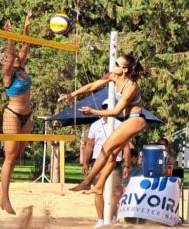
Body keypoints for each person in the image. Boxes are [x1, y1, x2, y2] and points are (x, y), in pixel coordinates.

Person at [58, 52, 148, 194]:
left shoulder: (131, 87)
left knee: (106, 148)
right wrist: (71, 95)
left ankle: (87, 182)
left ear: (125, 69)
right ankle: (99, 186)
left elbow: (115, 112)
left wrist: (93, 111)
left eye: (117, 64)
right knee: (111, 155)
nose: (114, 65)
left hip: (136, 119)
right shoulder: (114, 76)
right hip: (128, 119)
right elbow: (93, 85)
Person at [0, 11, 34, 215]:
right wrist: (9, 34)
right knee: (9, 158)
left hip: (27, 115)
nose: (14, 58)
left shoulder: (22, 68)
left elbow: (25, 45)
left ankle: (0, 192)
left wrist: (27, 25)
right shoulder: (7, 75)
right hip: (12, 114)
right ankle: (6, 198)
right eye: (9, 59)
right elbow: (11, 55)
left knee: (17, 156)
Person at [82, 101, 125, 228]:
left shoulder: (120, 125)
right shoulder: (95, 126)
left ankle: (110, 217)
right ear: (103, 109)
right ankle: (100, 219)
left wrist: (127, 164)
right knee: (98, 190)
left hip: (116, 162)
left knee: (116, 192)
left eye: (110, 108)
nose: (108, 110)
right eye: (106, 107)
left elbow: (126, 146)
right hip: (99, 162)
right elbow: (89, 144)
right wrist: (85, 162)